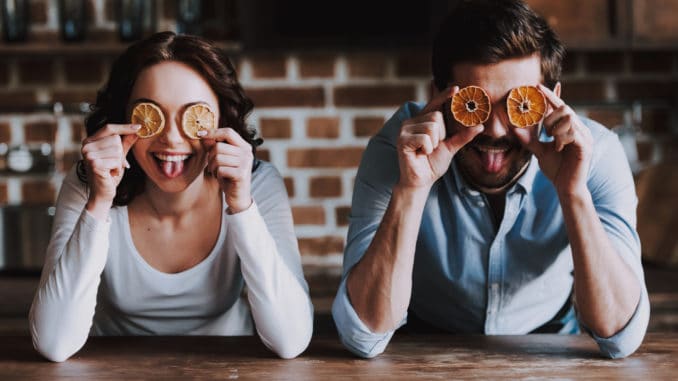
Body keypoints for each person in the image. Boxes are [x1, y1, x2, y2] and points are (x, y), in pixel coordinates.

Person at [332, 0, 649, 359]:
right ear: (437, 96)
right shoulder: (397, 151)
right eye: (474, 104)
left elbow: (620, 336)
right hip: (424, 347)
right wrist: (411, 188)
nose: (496, 129)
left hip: (548, 348)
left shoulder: (596, 154)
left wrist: (572, 192)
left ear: (552, 101)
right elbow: (363, 336)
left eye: (520, 105)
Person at [29, 32, 313, 362]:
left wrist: (241, 205)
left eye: (195, 116)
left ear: (221, 118)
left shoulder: (258, 184)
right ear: (124, 118)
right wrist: (99, 201)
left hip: (227, 369)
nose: (172, 138)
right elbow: (53, 343)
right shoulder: (88, 184)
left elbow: (291, 341)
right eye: (151, 116)